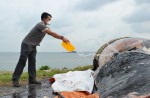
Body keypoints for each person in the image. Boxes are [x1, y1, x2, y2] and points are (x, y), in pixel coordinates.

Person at [12, 12, 69, 87]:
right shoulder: (40, 25)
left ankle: (32, 79)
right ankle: (15, 80)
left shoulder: (45, 26)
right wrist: (62, 37)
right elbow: (51, 33)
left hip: (33, 46)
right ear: (44, 19)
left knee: (32, 62)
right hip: (26, 44)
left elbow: (50, 33)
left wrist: (61, 39)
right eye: (49, 19)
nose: (49, 21)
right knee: (22, 62)